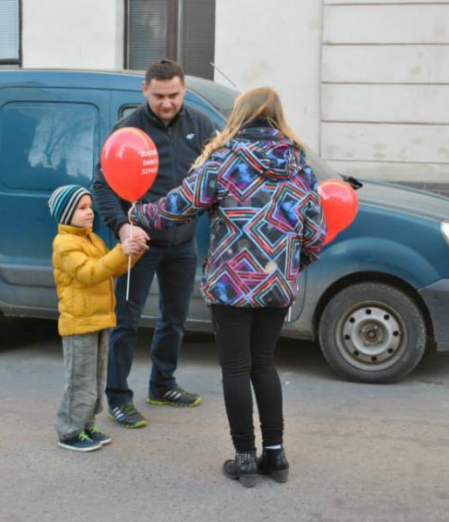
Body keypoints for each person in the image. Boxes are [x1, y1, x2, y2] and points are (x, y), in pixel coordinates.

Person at [130, 87, 326, 486]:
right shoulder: (299, 165)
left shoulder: (225, 160)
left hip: (230, 284)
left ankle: (244, 459)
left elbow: (177, 208)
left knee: (236, 367)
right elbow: (316, 233)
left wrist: (138, 210)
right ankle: (277, 457)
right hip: (275, 284)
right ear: (278, 117)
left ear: (240, 116)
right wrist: (287, 266)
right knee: (265, 364)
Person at [93, 59, 216, 428]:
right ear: (144, 90)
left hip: (183, 242)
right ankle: (117, 397)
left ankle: (162, 385)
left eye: (174, 95)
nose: (166, 103)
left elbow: (214, 178)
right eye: (159, 95)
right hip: (138, 243)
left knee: (174, 319)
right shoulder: (127, 130)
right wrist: (121, 228)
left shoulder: (201, 125)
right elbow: (103, 185)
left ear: (184, 91)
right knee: (125, 322)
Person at [49, 185, 147, 452]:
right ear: (66, 213)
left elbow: (109, 269)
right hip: (79, 323)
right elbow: (90, 272)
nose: (90, 212)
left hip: (100, 319)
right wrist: (120, 251)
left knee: (95, 379)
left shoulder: (92, 239)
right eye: (82, 208)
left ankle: (86, 425)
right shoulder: (65, 245)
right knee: (80, 381)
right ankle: (69, 432)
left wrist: (133, 253)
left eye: (90, 206)